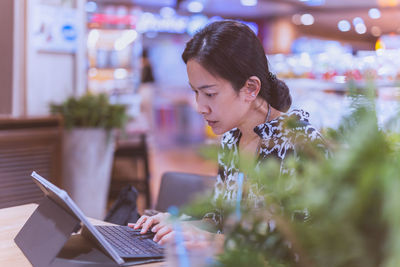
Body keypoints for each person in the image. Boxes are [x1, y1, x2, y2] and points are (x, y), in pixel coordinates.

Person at [130, 20, 327, 247]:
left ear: (251, 88)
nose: (200, 107)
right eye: (196, 92)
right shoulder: (232, 139)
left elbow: (301, 250)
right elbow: (220, 221)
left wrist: (211, 241)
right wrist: (180, 223)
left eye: (210, 94)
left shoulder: (300, 144)